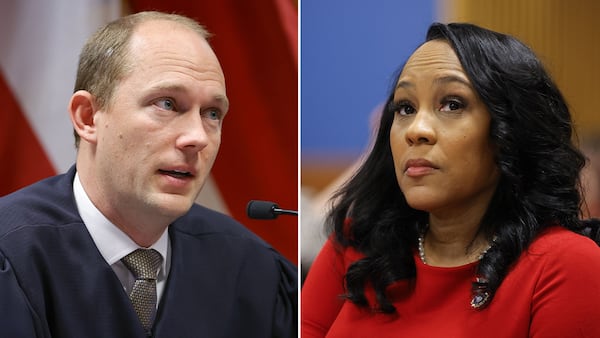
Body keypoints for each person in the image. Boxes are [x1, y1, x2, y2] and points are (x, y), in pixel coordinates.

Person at [0, 11, 297, 338]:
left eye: (212, 113)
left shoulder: (252, 270)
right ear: (88, 117)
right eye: (167, 104)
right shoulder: (12, 255)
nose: (197, 137)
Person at [301, 22, 600, 337]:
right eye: (405, 108)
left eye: (452, 105)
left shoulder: (568, 265)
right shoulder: (357, 244)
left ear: (509, 132)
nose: (417, 130)